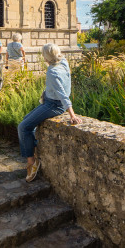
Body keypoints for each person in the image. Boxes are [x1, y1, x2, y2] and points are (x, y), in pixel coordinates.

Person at [18, 43, 82, 182]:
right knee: (26, 121)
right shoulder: (63, 62)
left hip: (54, 105)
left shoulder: (52, 72)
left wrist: (72, 115)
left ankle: (32, 162)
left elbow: (62, 94)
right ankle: (34, 148)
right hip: (50, 101)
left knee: (23, 127)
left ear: (46, 57)